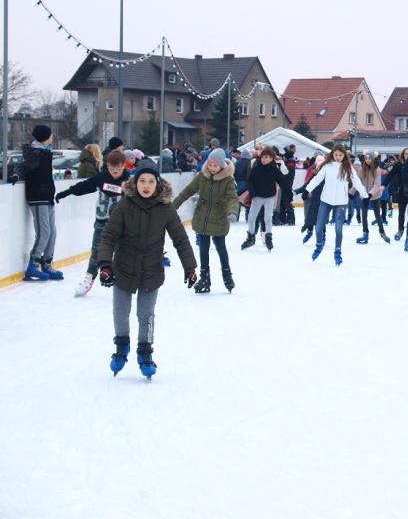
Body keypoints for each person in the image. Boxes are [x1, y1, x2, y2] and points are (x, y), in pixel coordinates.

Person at [97, 160, 197, 379]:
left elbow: (180, 239)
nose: (146, 185)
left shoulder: (166, 209)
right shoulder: (124, 205)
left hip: (151, 271)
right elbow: (109, 236)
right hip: (123, 268)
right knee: (120, 311)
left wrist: (190, 267)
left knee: (146, 315)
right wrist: (105, 264)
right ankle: (121, 345)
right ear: (135, 182)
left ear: (158, 184)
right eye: (142, 180)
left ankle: (145, 351)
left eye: (151, 181)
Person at [55, 150, 130, 296]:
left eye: (118, 167)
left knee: (125, 251)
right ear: (107, 165)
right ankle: (89, 278)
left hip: (122, 224)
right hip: (102, 222)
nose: (115, 170)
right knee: (96, 251)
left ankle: (126, 280)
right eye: (112, 167)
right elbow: (85, 185)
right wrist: (66, 192)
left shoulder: (129, 182)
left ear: (124, 166)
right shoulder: (102, 177)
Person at [173, 148, 239, 293]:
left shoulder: (228, 180)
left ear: (221, 165)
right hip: (202, 218)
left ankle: (227, 275)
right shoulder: (202, 176)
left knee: (221, 248)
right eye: (210, 164)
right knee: (203, 249)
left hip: (219, 219)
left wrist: (233, 212)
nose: (212, 168)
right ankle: (205, 278)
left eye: (215, 165)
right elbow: (188, 190)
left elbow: (232, 198)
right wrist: (175, 204)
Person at [9, 125, 62, 281]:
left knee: (52, 232)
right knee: (44, 232)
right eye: (51, 135)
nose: (52, 137)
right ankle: (33, 264)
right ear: (45, 136)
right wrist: (16, 176)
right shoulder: (35, 153)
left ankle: (47, 263)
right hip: (38, 196)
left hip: (47, 196)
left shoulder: (45, 152)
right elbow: (22, 167)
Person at [302, 144, 368, 265]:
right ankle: (319, 244)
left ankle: (337, 251)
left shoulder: (348, 168)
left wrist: (365, 195)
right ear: (332, 154)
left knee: (338, 229)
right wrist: (307, 190)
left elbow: (357, 182)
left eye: (340, 155)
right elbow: (317, 179)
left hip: (341, 202)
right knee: (318, 227)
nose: (338, 157)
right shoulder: (327, 166)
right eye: (336, 155)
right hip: (326, 200)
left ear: (344, 156)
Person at [241, 148, 289, 251]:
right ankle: (251, 238)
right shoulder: (256, 169)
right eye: (262, 157)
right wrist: (252, 194)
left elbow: (282, 181)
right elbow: (250, 182)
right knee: (251, 218)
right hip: (257, 197)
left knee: (268, 218)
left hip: (269, 197)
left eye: (266, 157)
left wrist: (289, 193)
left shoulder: (274, 169)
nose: (264, 159)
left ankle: (268, 238)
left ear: (271, 158)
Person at [356, 153, 390, 244]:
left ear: (373, 159)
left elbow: (377, 184)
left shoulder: (377, 169)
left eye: (369, 158)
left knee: (377, 215)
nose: (368, 160)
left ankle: (382, 232)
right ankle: (365, 233)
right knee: (364, 215)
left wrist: (370, 194)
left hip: (374, 195)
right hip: (364, 195)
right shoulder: (361, 169)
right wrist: (352, 192)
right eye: (366, 158)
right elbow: (357, 182)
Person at [386, 147, 408, 240]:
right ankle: (400, 230)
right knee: (401, 213)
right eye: (405, 153)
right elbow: (391, 174)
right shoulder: (399, 164)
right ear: (403, 155)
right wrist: (383, 184)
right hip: (402, 191)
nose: (407, 155)